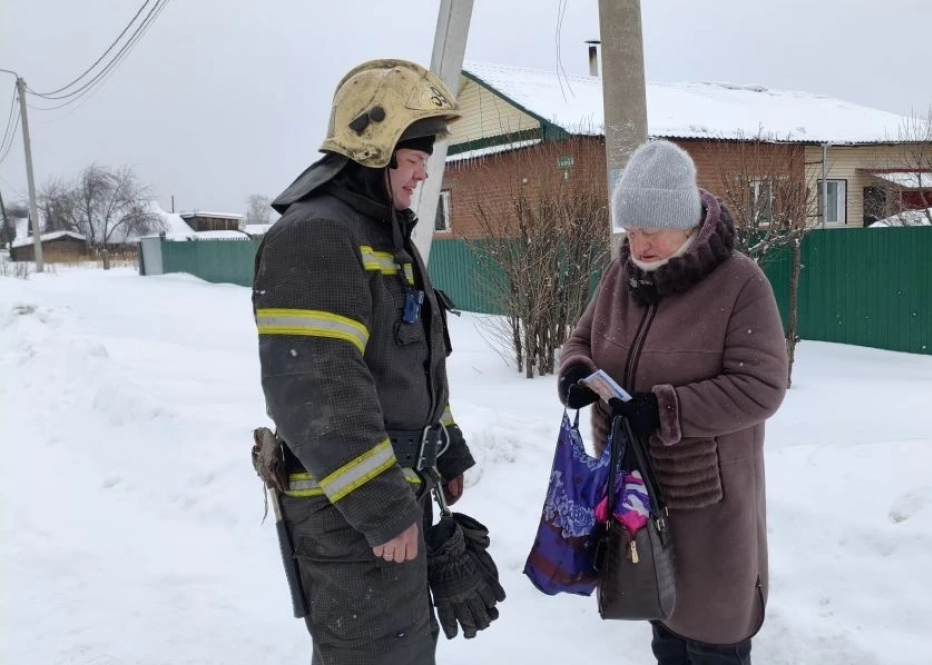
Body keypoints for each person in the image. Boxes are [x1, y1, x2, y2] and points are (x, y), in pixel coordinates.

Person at [252, 59, 500, 664]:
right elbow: (317, 391)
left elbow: (406, 366)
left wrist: (446, 450)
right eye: (413, 161)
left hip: (389, 493)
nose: (420, 176)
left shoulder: (379, 236)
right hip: (347, 514)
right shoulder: (317, 237)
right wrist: (382, 509)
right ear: (375, 149)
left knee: (405, 647)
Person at [557, 140, 789, 665]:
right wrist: (574, 372)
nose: (637, 244)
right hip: (633, 492)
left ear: (683, 221)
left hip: (707, 503)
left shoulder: (738, 283)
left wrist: (663, 410)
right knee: (661, 621)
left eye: (650, 230)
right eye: (630, 230)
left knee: (712, 637)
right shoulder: (623, 277)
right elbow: (581, 342)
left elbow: (762, 386)